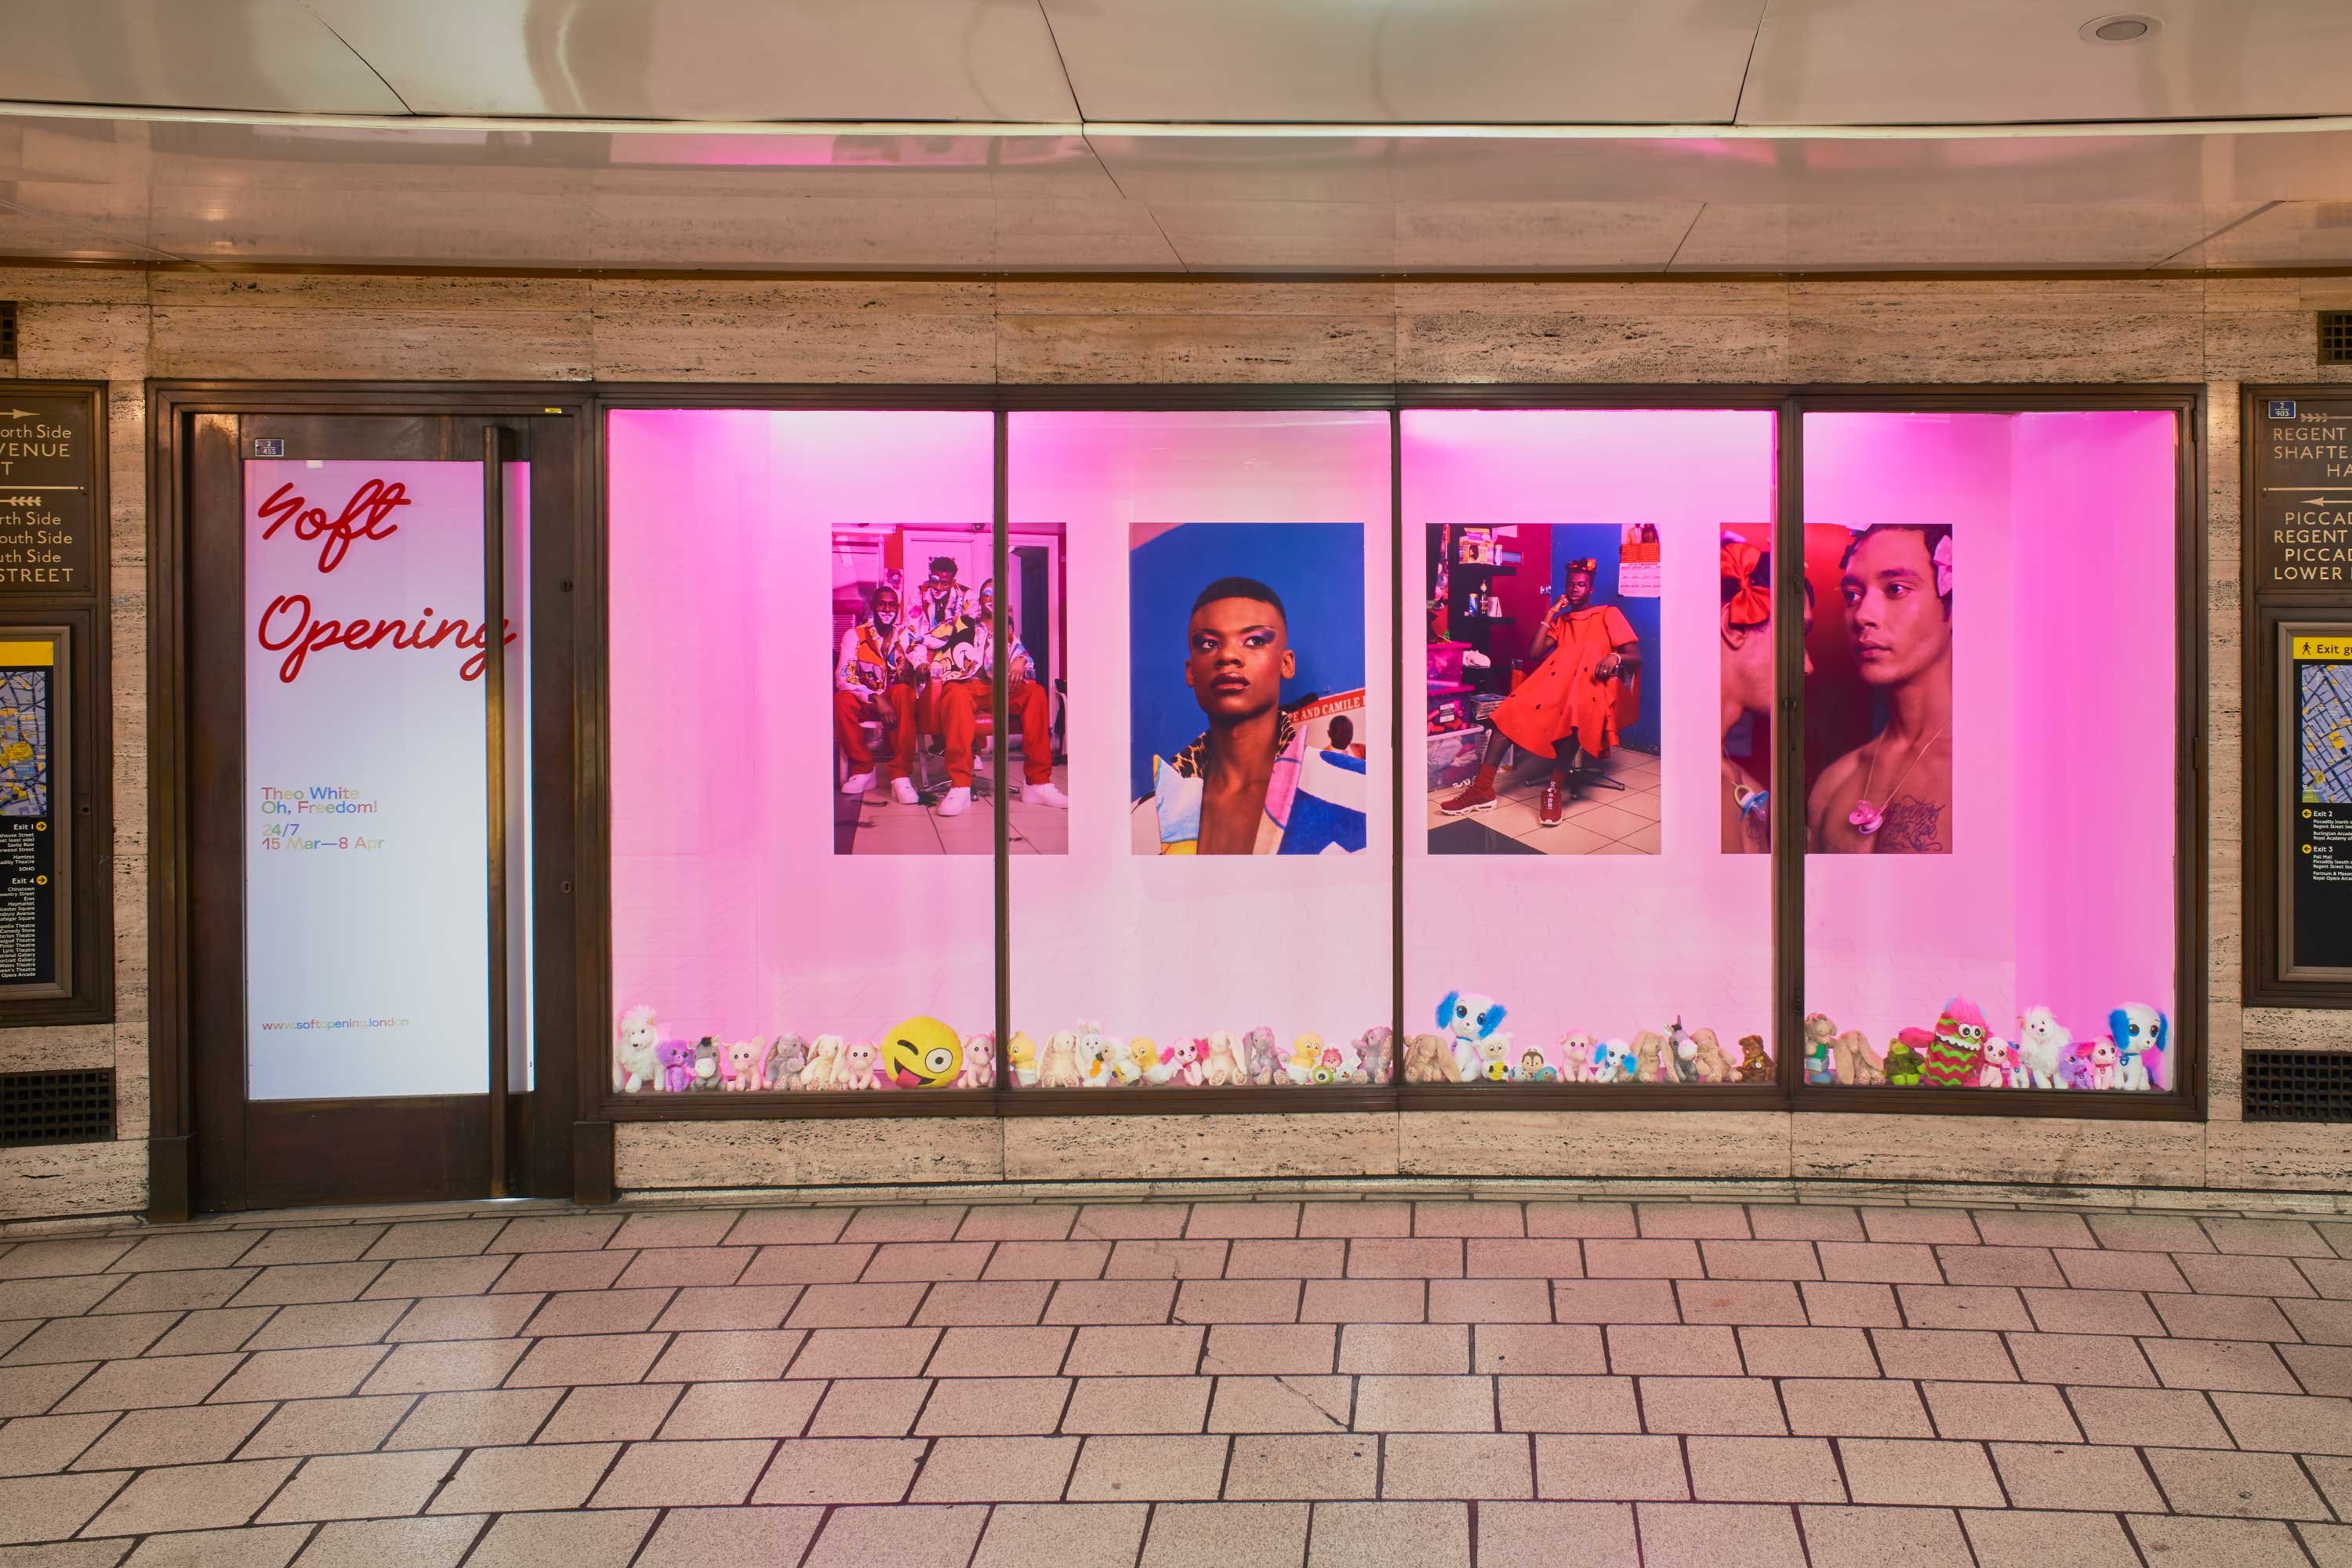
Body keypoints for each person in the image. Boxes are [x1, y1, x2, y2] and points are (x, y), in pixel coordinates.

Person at [1134, 576, 1365, 856]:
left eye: (1254, 640)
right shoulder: (1143, 818)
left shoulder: (1360, 792)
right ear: (1191, 672)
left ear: (1286, 664)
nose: (1228, 655)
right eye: (1208, 644)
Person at [1439, 557, 1639, 826]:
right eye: (1571, 585)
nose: (1575, 589)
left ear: (1591, 589)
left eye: (1581, 585)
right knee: (1509, 709)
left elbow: (1635, 656)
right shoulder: (1562, 620)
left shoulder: (1607, 614)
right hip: (1557, 685)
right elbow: (1535, 653)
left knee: (1575, 711)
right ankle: (1482, 788)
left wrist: (1614, 657)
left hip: (1593, 686)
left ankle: (1553, 789)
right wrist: (1551, 612)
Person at [1807, 524, 1955, 855]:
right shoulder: (1833, 784)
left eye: (1895, 589)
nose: (1863, 615)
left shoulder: (1991, 768)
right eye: (1852, 595)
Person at [931, 577, 1069, 815]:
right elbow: (922, 642)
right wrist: (921, 664)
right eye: (987, 594)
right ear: (980, 598)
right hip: (967, 687)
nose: (992, 599)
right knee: (953, 692)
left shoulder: (1008, 632)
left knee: (1035, 693)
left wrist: (1021, 660)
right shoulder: (960, 623)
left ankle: (1038, 783)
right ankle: (961, 786)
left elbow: (1026, 657)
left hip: (998, 691)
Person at [1719, 536, 1811, 854]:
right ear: (1735, 629)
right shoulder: (1685, 786)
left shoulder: (1746, 785)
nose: (1808, 666)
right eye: (1797, 635)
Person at [833, 583, 920, 800]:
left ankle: (900, 775)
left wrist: (917, 669)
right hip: (866, 700)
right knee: (841, 700)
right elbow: (844, 677)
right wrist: (875, 698)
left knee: (903, 692)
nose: (887, 610)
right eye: (882, 604)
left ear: (898, 608)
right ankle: (864, 769)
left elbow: (919, 662)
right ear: (872, 606)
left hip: (895, 702)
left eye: (892, 605)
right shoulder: (855, 635)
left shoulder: (906, 636)